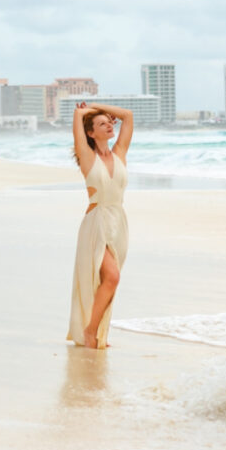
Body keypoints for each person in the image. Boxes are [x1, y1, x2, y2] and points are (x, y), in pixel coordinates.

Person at [68, 101, 134, 349]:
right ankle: (90, 332)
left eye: (109, 122)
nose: (109, 125)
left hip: (119, 222)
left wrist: (98, 107)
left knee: (108, 280)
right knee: (112, 278)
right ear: (90, 133)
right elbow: (77, 117)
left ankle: (95, 331)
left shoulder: (119, 153)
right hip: (96, 222)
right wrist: (83, 112)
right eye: (101, 124)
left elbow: (127, 114)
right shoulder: (87, 156)